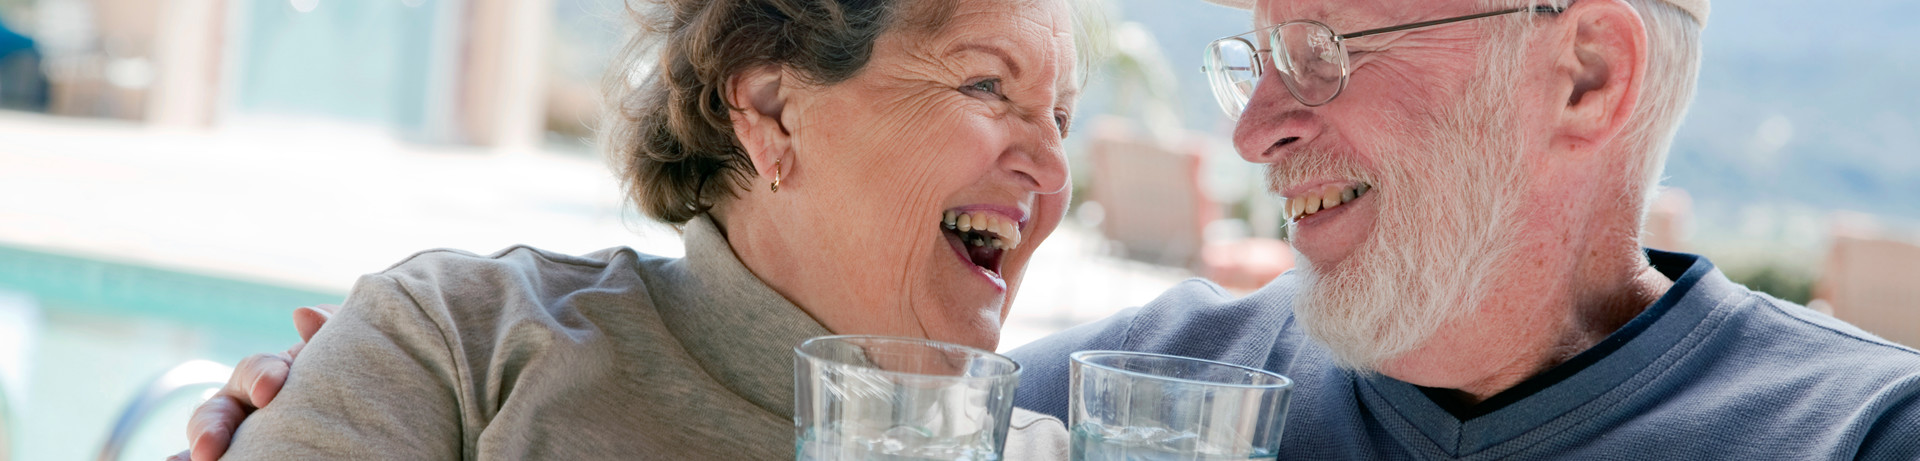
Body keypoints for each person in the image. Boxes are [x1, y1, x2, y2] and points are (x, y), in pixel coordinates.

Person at [193, 0, 1920, 459]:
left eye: (1324, 54)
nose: (1252, 123)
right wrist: (334, 390)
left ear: (1586, 74)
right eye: (1258, 53)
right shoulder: (1111, 406)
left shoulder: (1854, 434)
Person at [180, 0, 1084, 458]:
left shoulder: (1071, 443)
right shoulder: (452, 340)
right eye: (985, 87)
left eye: (1064, 120)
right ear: (772, 106)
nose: (1051, 169)